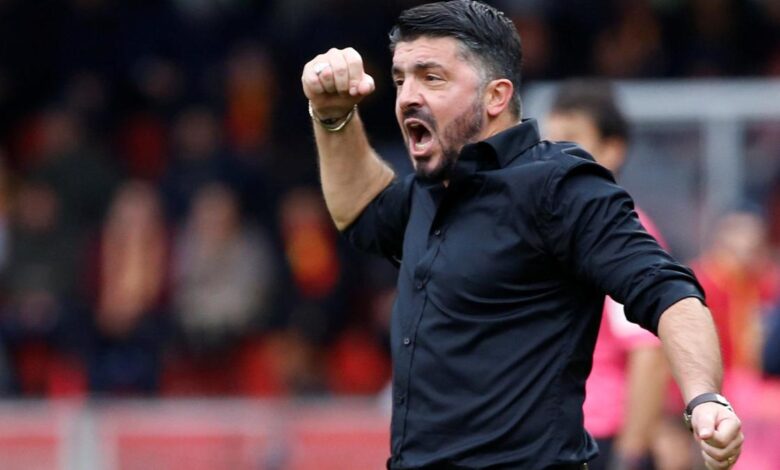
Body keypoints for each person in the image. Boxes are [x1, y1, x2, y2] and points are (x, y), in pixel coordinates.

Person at [301, 1, 743, 469]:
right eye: (399, 80)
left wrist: (705, 399)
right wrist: (333, 116)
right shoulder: (431, 192)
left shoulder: (558, 187)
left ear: (496, 96)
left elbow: (669, 292)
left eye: (431, 77)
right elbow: (362, 210)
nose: (407, 96)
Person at [545, 81, 668, 470]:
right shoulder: (554, 228)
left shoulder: (618, 235)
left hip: (599, 439)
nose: (555, 155)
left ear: (613, 149)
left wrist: (630, 456)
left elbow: (648, 352)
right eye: (549, 143)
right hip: (553, 436)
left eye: (571, 140)